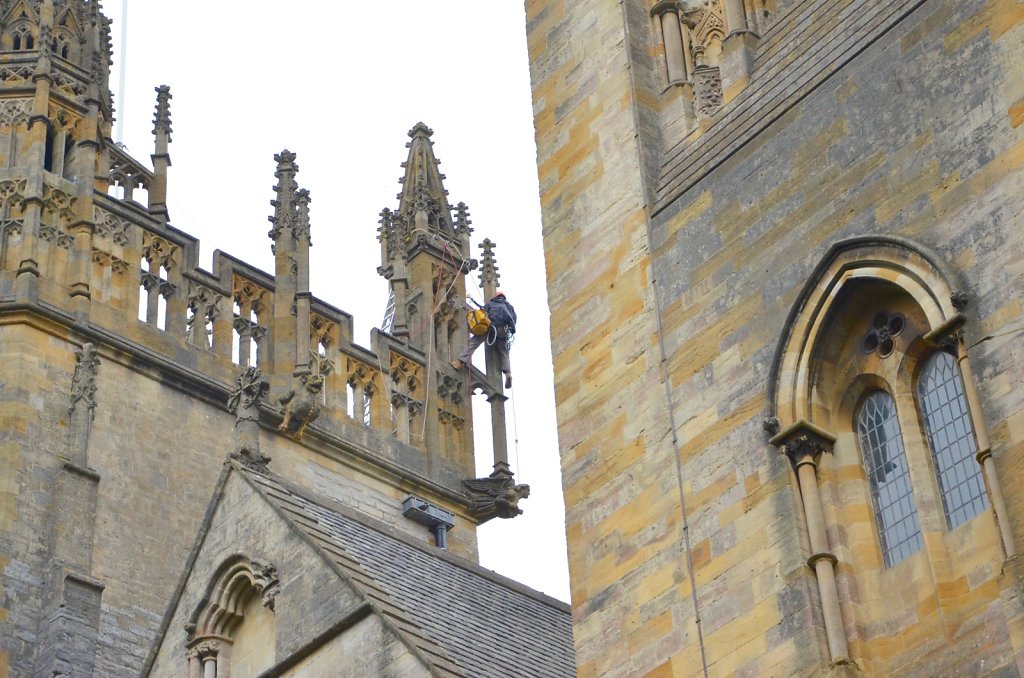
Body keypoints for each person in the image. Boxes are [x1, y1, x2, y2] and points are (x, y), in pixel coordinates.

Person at [450, 292, 517, 388]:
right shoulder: (510, 307)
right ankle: (508, 374)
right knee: (504, 353)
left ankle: (459, 362)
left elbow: (484, 315)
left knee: (473, 343)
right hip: (504, 331)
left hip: (491, 327)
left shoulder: (490, 304)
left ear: (495, 297)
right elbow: (514, 320)